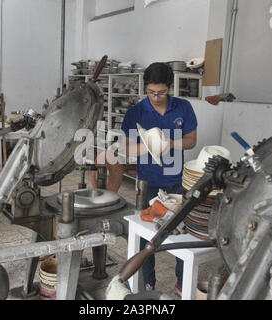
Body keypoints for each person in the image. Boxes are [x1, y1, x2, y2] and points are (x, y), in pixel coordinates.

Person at [101, 62, 198, 294]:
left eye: (161, 92)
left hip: (177, 182)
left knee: (179, 234)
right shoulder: (136, 112)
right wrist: (149, 147)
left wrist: (169, 144)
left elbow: (191, 140)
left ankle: (181, 282)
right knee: (149, 236)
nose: (156, 97)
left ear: (171, 87)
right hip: (148, 184)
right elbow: (126, 147)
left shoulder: (183, 108)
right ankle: (148, 281)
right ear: (146, 88)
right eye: (151, 92)